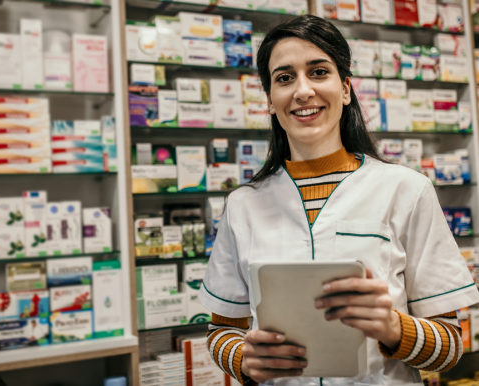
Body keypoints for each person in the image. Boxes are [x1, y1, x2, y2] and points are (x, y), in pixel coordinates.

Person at [199, 15, 479, 386]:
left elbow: (451, 345)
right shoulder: (243, 204)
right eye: (284, 78)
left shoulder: (406, 189)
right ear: (269, 100)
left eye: (318, 72)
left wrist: (394, 327)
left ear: (345, 89)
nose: (302, 91)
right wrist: (244, 360)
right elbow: (221, 331)